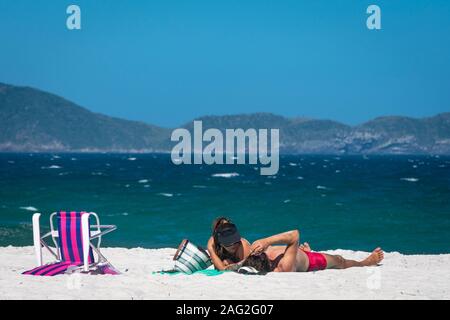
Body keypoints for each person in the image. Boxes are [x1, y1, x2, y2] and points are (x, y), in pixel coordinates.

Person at [242, 230, 384, 273]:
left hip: (299, 254)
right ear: (268, 261)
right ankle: (366, 262)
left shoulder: (253, 261)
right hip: (312, 261)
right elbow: (295, 235)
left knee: (297, 252)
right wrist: (266, 241)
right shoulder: (283, 267)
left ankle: (301, 252)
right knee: (340, 261)